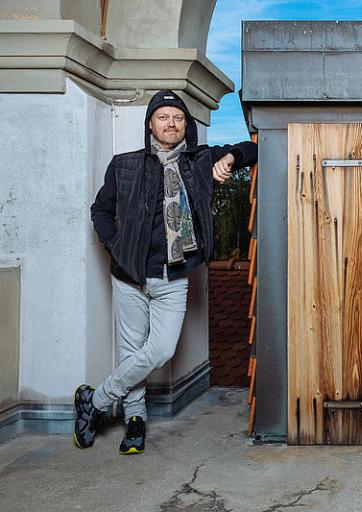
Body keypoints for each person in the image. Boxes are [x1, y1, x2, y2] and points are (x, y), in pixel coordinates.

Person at [75, 89, 258, 455]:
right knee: (131, 352)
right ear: (150, 125)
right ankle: (135, 421)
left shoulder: (200, 162)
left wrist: (232, 158)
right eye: (163, 117)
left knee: (158, 350)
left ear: (186, 126)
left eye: (177, 118)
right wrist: (116, 245)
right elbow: (101, 210)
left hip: (172, 276)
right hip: (128, 274)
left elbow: (255, 148)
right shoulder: (124, 165)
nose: (170, 123)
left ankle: (94, 401)